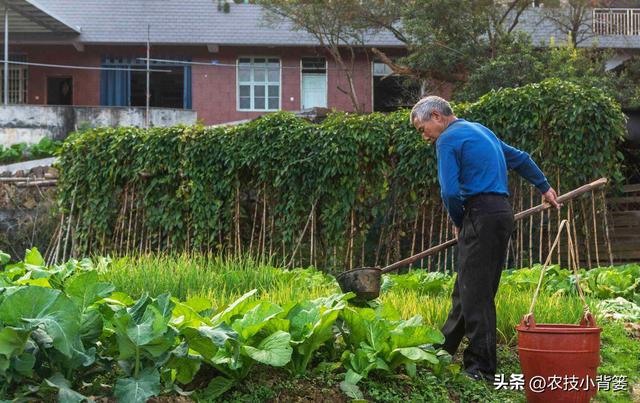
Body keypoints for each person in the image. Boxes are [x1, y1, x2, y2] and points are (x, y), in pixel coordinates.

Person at [410, 96, 560, 382]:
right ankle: (442, 350)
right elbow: (521, 158)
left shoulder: (447, 140)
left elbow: (450, 192)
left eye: (422, 128)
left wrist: (458, 221)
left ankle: (481, 369)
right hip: (501, 213)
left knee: (476, 293)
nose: (424, 136)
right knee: (468, 287)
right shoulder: (480, 130)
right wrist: (545, 186)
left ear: (436, 117)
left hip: (479, 214)